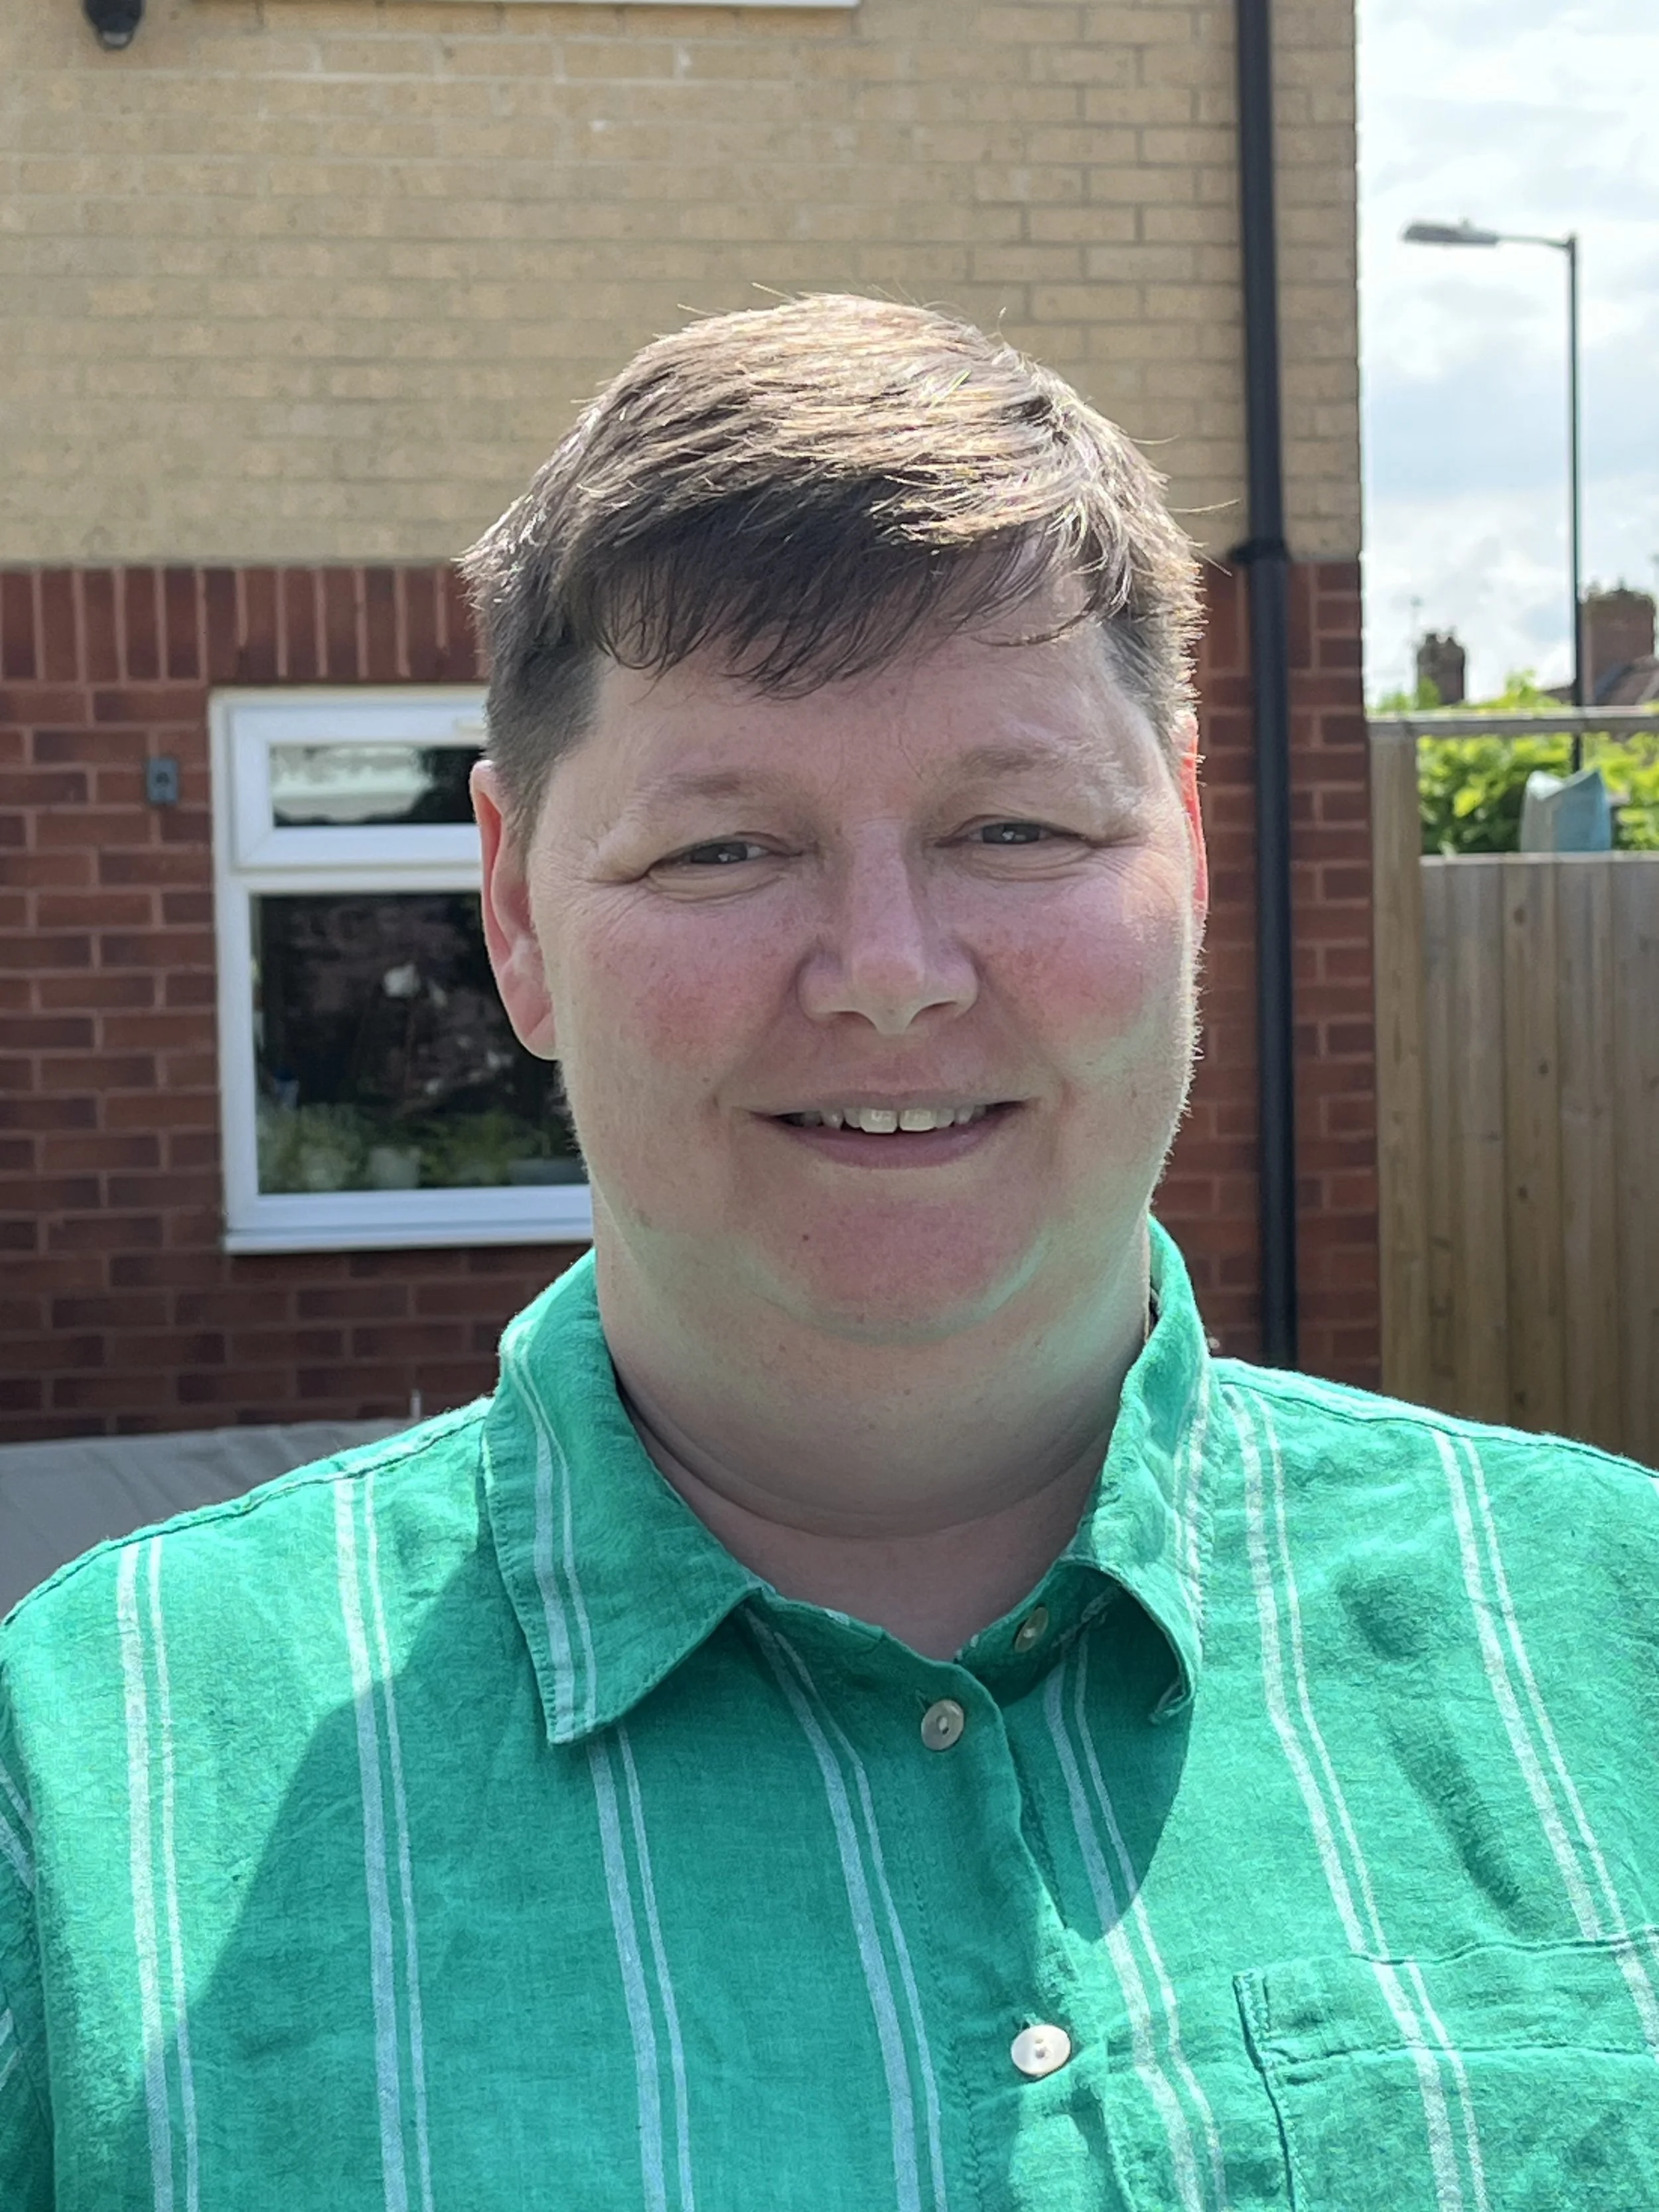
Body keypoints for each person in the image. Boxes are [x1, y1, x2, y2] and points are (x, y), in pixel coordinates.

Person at [2, 297, 1656, 2212]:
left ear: (1186, 856)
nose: (887, 971)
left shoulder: (1609, 1639)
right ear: (515, 915)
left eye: (1015, 825)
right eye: (722, 851)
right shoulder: (86, 1793)